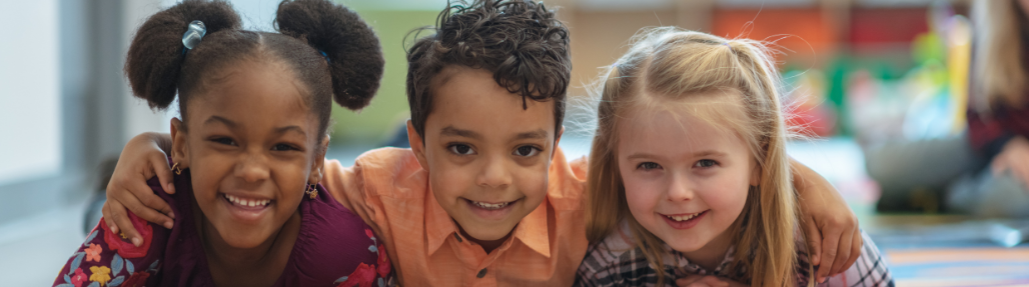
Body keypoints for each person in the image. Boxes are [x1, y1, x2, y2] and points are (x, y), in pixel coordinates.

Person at [101, 1, 863, 285]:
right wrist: (154, 150)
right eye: (460, 149)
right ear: (418, 140)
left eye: (526, 151)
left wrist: (796, 178)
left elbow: (693, 174)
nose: (493, 179)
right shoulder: (375, 181)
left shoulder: (589, 206)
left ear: (556, 143)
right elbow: (269, 167)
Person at [53, 0, 391, 286]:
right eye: (225, 140)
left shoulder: (347, 254)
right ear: (181, 145)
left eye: (283, 147)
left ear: (317, 161)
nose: (252, 171)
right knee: (108, 204)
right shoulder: (148, 212)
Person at [575, 28, 893, 287]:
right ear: (616, 167)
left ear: (759, 162)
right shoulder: (609, 264)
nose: (677, 192)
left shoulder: (819, 239)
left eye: (705, 163)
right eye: (649, 166)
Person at [866, 0, 1029, 217]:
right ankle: (946, 188)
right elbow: (977, 114)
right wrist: (1008, 147)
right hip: (989, 143)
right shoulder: (995, 24)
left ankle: (943, 196)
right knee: (881, 164)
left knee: (1003, 203)